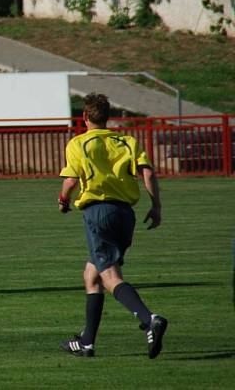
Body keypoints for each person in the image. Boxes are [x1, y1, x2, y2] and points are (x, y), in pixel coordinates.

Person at [57, 93, 167, 359]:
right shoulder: (127, 141)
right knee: (91, 275)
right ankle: (87, 342)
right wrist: (156, 206)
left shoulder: (78, 143)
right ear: (108, 117)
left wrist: (63, 200)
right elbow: (148, 172)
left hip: (98, 212)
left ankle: (149, 318)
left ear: (84, 117)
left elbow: (71, 181)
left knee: (110, 278)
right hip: (125, 214)